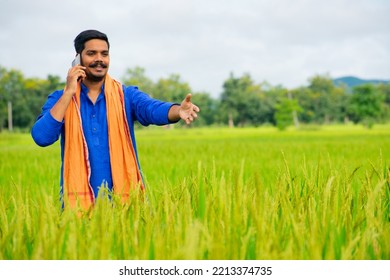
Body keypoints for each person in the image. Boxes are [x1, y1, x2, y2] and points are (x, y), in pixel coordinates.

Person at [31, 30, 200, 210]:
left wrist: (177, 110)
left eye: (104, 54)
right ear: (78, 59)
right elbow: (42, 137)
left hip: (124, 207)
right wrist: (69, 93)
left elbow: (152, 109)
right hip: (77, 208)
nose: (99, 59)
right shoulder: (61, 99)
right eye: (91, 53)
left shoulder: (125, 95)